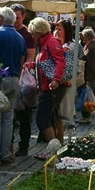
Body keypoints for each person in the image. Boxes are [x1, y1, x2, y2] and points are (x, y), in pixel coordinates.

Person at [0, 7, 24, 165]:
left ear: (1, 18)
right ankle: (4, 154)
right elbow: (22, 59)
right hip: (14, 78)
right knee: (8, 118)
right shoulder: (20, 37)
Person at [30, 16, 66, 159]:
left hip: (51, 87)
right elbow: (46, 62)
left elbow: (60, 61)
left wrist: (56, 79)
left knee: (42, 119)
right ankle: (54, 150)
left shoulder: (50, 42)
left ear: (39, 31)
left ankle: (53, 151)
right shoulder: (44, 43)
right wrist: (32, 65)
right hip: (46, 86)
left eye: (33, 32)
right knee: (49, 119)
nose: (32, 36)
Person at [11, 4, 37, 156]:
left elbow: (30, 56)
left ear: (23, 17)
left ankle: (23, 146)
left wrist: (20, 70)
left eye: (18, 17)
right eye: (13, 17)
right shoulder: (7, 29)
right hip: (11, 76)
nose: (15, 20)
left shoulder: (27, 34)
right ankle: (9, 146)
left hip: (22, 79)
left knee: (24, 115)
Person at [57, 19, 78, 130]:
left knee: (64, 106)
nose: (57, 31)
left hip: (66, 79)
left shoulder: (70, 45)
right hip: (59, 79)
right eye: (56, 29)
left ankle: (66, 126)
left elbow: (67, 63)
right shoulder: (61, 43)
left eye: (60, 29)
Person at [76, 28, 95, 122]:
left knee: (85, 96)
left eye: (83, 36)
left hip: (86, 76)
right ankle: (85, 116)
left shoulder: (91, 47)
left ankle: (86, 116)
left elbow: (91, 64)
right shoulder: (88, 45)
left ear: (86, 37)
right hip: (84, 75)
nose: (82, 38)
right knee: (83, 95)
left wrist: (90, 79)